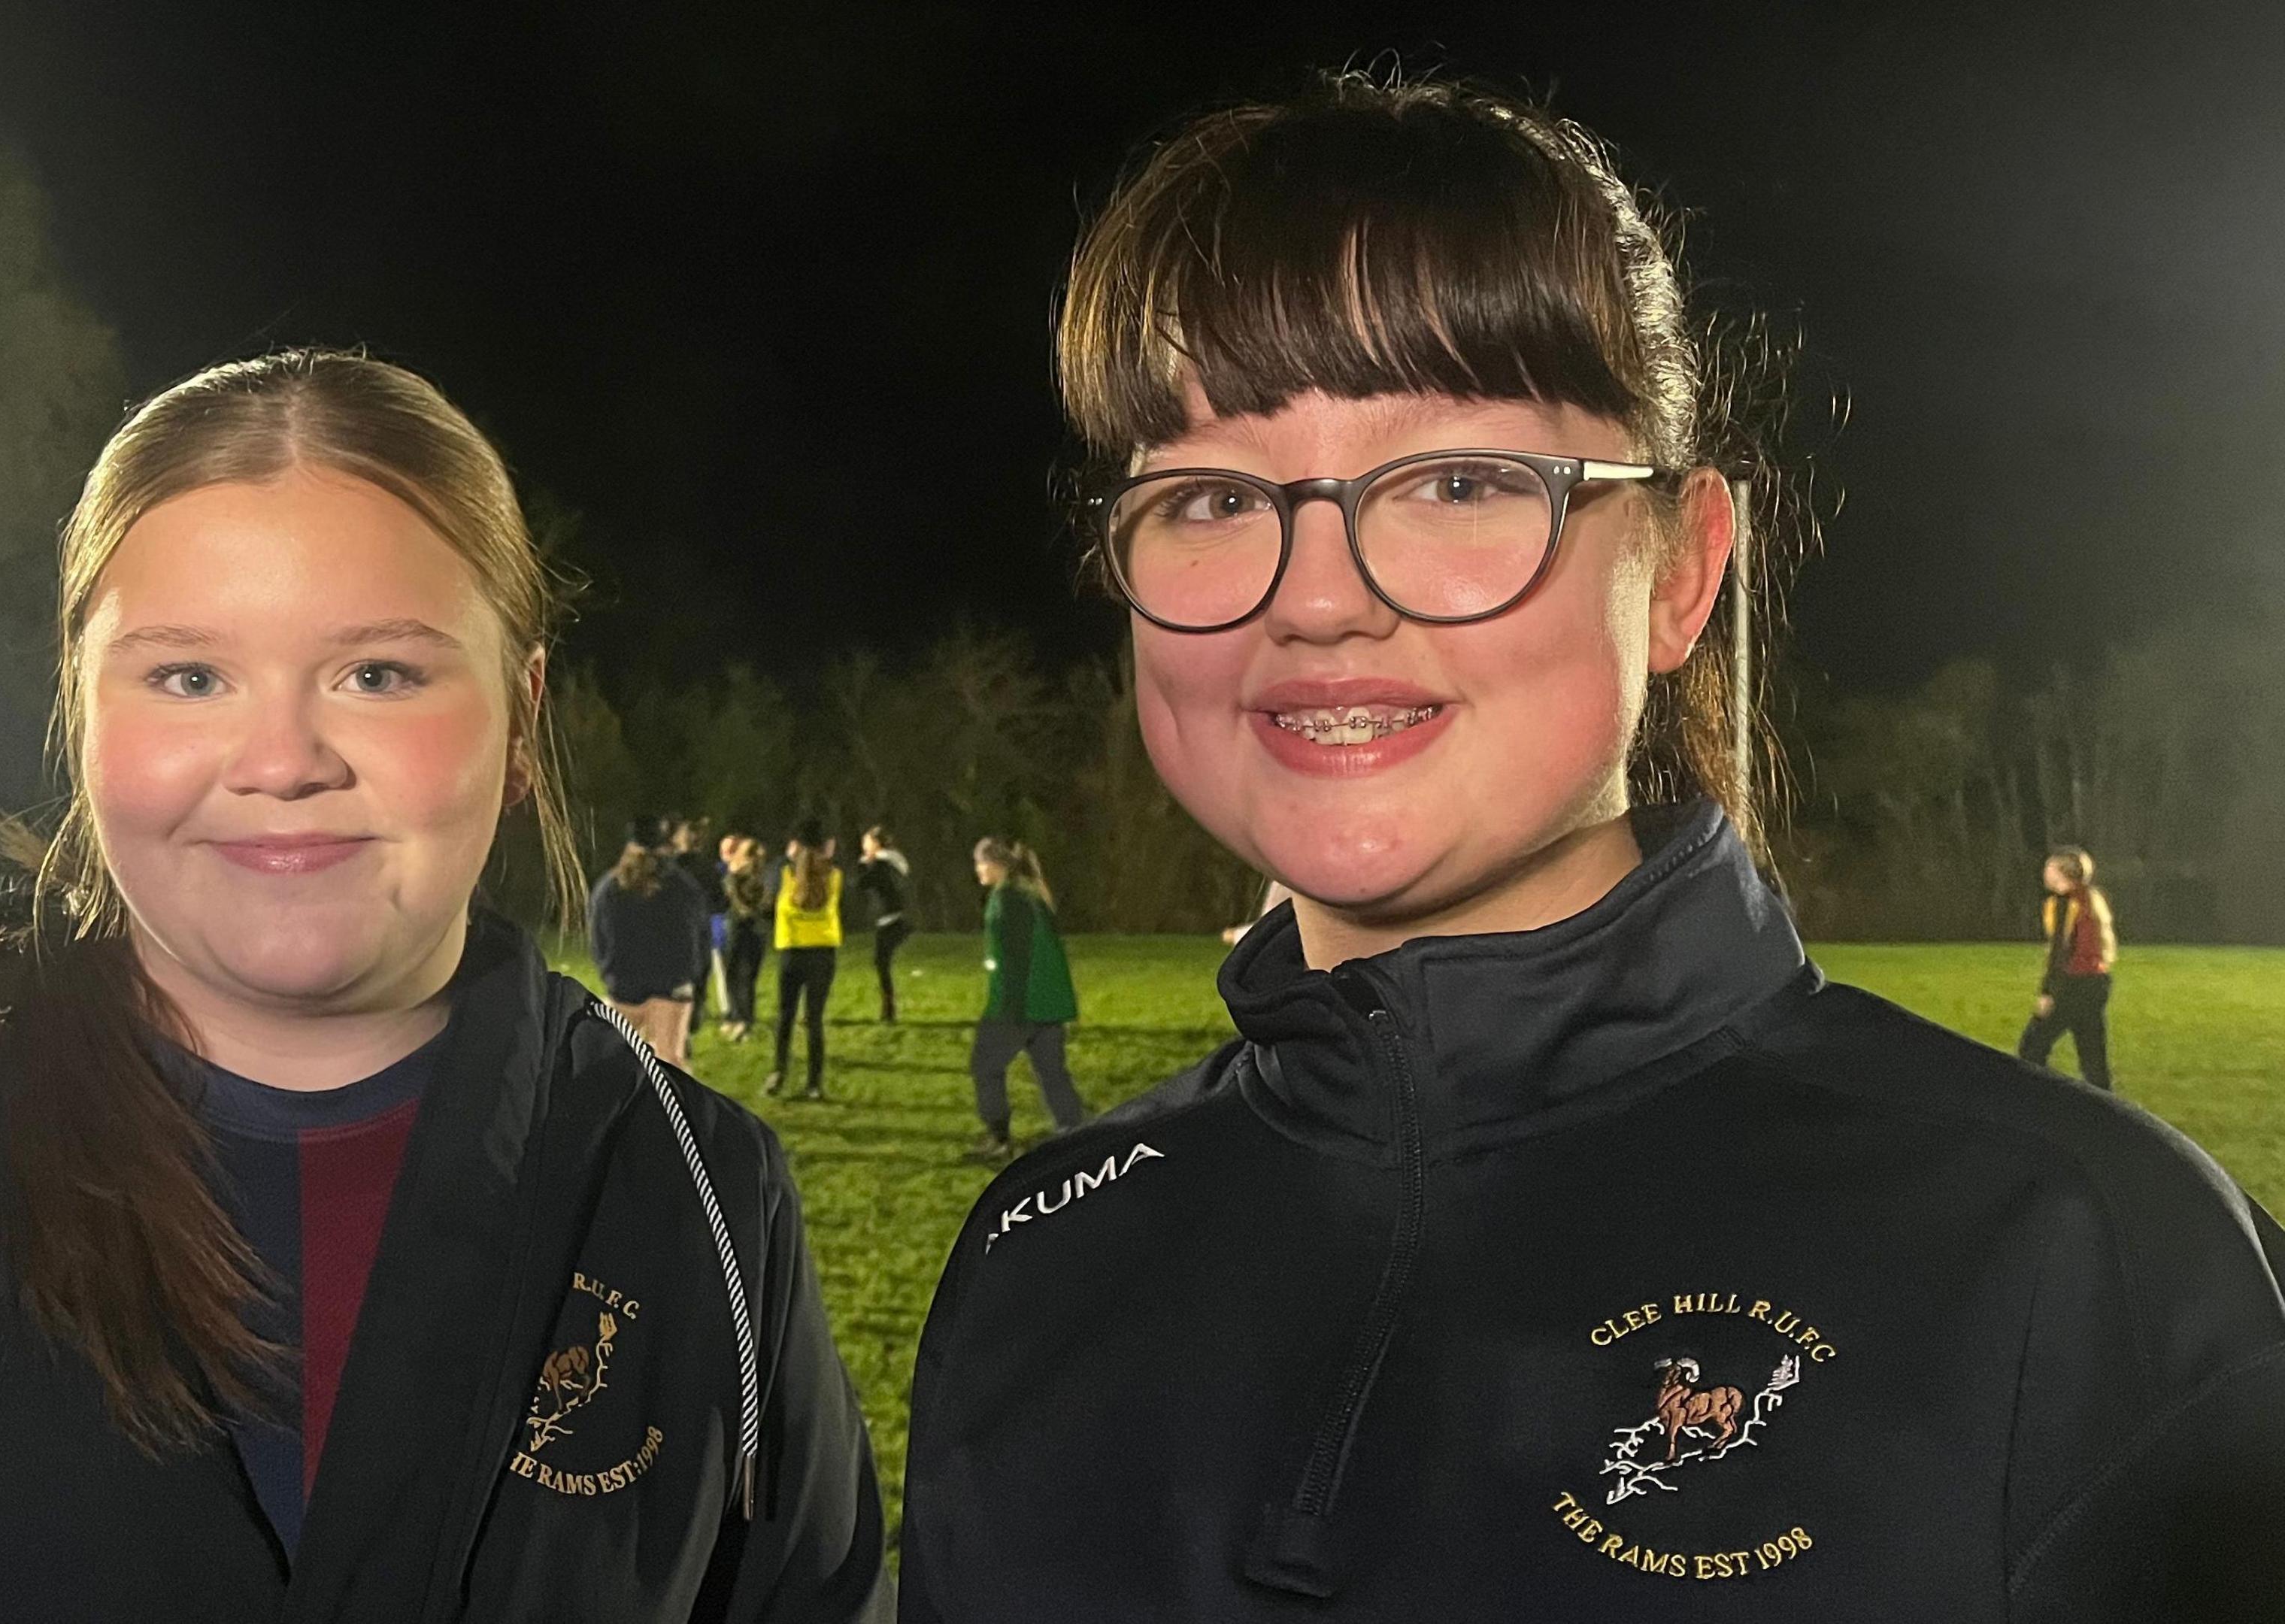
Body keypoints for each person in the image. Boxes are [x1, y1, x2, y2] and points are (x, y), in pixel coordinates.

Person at [899, 74, 2285, 1622]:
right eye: (1215, 495)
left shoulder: (2082, 1263)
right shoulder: (1047, 1253)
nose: (1317, 599)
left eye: (1459, 482)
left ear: (1684, 570)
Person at [0, 350, 888, 1623]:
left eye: (379, 672)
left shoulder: (696, 1200)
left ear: (521, 717)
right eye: (189, 676)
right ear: (81, 706)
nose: (283, 758)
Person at [965, 838, 1086, 1161]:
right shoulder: (1029, 894)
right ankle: (1074, 1133)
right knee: (1052, 1071)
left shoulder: (1006, 901)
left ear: (994, 865)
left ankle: (999, 1139)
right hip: (1049, 1003)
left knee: (984, 1066)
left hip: (1021, 1006)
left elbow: (1015, 962)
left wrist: (1004, 1010)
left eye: (980, 863)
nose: (977, 870)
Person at [588, 814, 706, 1065]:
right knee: (671, 1063)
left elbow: (599, 940)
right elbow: (698, 936)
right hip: (672, 986)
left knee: (620, 1066)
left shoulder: (609, 888)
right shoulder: (681, 887)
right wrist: (693, 979)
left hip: (625, 987)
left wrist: (611, 974)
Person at [2017, 844, 2120, 1091]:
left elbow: (2060, 952)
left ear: (2063, 873)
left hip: (2072, 985)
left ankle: (2050, 1098)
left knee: (2031, 1049)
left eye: (2050, 868)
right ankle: (2107, 1111)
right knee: (2093, 1060)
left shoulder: (2063, 904)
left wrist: (2048, 992)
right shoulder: (2092, 899)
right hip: (2097, 983)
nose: (2045, 873)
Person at [767, 820, 841, 1100]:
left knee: (785, 1016)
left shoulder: (783, 874)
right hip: (823, 952)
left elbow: (767, 896)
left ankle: (778, 1071)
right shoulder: (835, 877)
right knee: (815, 1020)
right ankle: (814, 1083)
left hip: (791, 951)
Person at [668, 815, 729, 1035]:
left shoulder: (669, 868)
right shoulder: (707, 868)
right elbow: (721, 903)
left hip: (673, 934)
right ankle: (692, 1020)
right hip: (699, 933)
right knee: (699, 980)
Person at [854, 826, 915, 1022]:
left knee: (881, 963)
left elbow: (860, 883)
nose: (863, 846)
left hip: (892, 920)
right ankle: (888, 1009)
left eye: (866, 842)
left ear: (876, 843)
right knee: (881, 962)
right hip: (898, 918)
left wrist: (863, 864)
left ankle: (889, 1010)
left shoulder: (881, 864)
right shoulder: (894, 862)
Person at [717, 833, 771, 1042]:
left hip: (740, 928)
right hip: (755, 929)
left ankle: (741, 1020)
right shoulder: (760, 876)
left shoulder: (738, 875)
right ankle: (742, 1019)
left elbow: (736, 902)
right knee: (745, 976)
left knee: (738, 975)